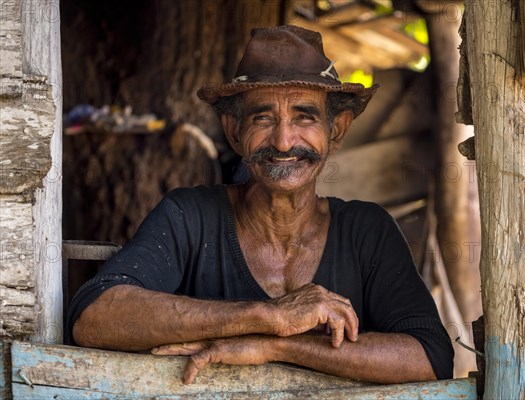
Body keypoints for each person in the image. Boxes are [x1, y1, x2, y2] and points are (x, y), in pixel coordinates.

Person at [69, 25, 453, 385]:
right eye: (263, 118)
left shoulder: (366, 230)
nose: (284, 141)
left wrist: (276, 345)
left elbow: (430, 358)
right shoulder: (190, 216)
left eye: (304, 117)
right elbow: (94, 318)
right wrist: (269, 315)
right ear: (235, 132)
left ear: (336, 131)